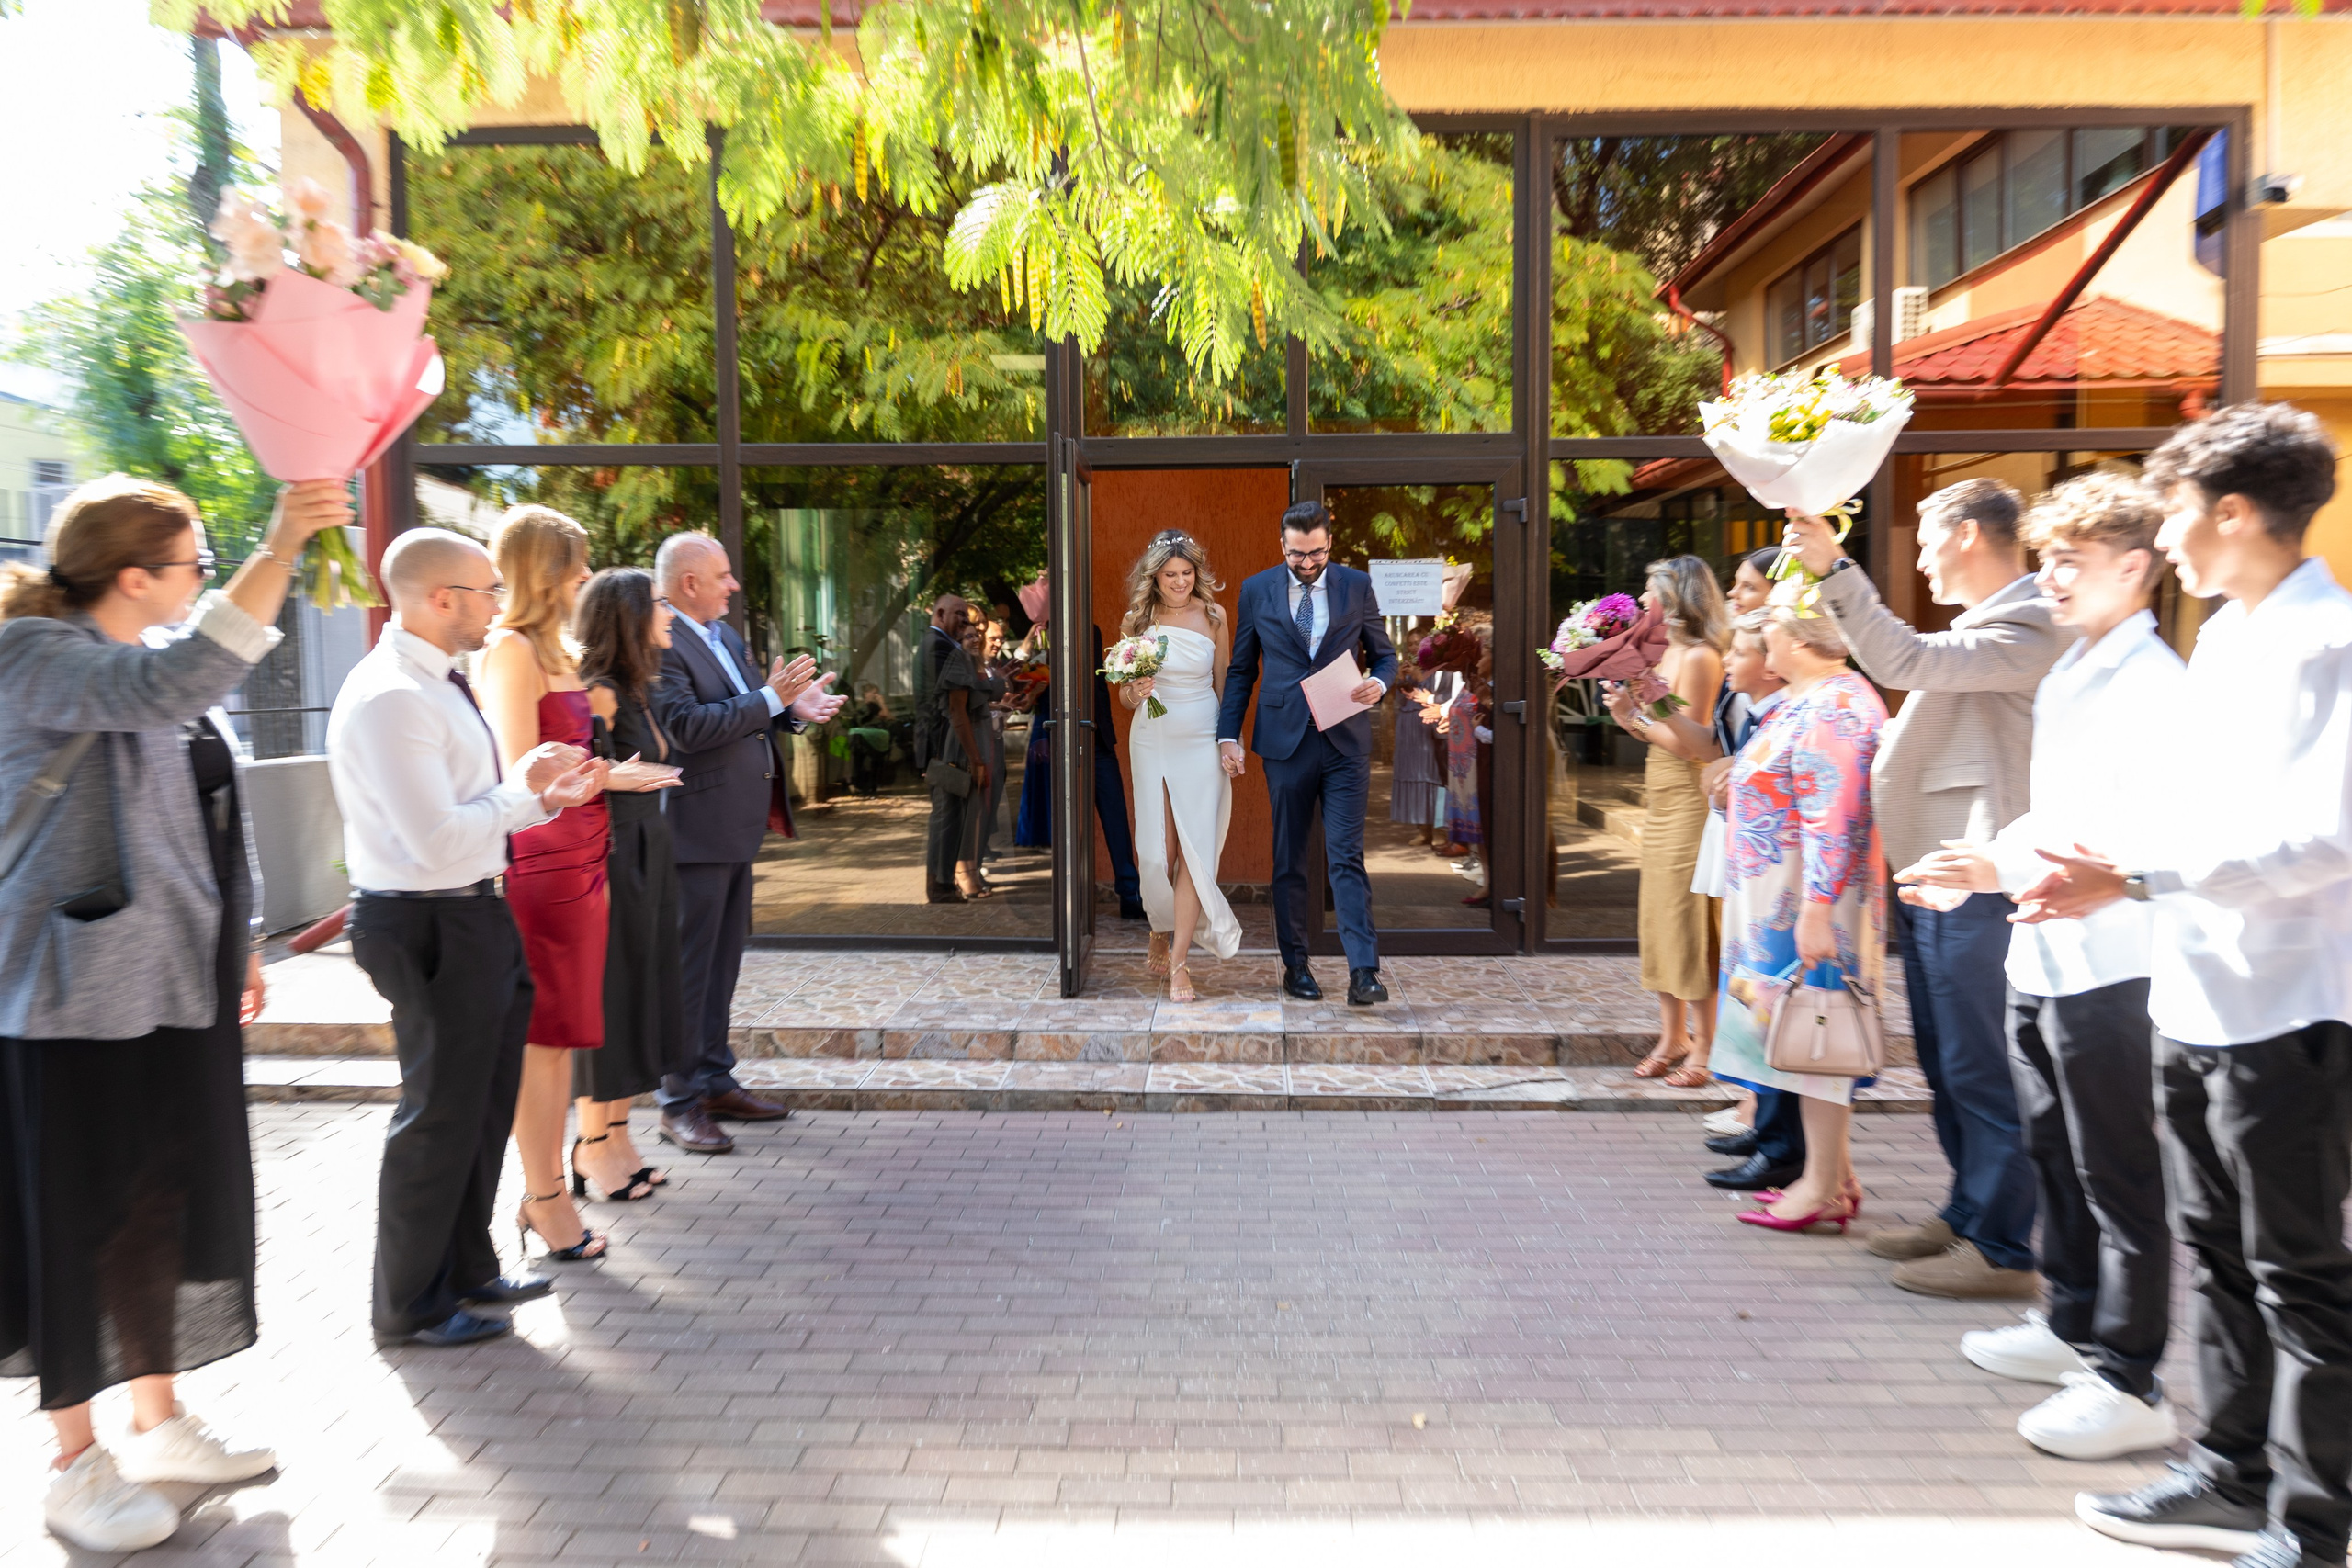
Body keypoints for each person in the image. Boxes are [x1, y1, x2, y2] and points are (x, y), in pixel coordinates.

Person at [2010, 406, 2352, 1568]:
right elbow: (2180, 812)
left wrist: (2140, 876)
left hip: (2287, 1006)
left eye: (2174, 517)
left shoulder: (2327, 644)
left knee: (2298, 1274)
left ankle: (2312, 1525)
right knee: (2217, 1254)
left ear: (2234, 513)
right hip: (2194, 989)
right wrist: (2091, 866)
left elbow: (2324, 837)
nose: (2165, 542)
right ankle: (2230, 1471)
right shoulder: (2227, 640)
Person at [0, 476, 345, 1551]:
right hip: (68, 997)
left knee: (158, 1202)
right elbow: (174, 681)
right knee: (76, 1218)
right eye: (197, 562)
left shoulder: (159, 663)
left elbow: (211, 809)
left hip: (174, 983)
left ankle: (158, 1426)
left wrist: (239, 939)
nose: (204, 579)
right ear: (134, 575)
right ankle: (74, 1464)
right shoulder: (36, 657)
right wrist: (283, 544)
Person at [1894, 471, 2182, 1462]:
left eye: (2073, 561)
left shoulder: (2154, 683)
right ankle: (2069, 1321)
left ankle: (2129, 1376)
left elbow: (2150, 828)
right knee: (2055, 1152)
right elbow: (2053, 817)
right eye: (2048, 558)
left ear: (2134, 569)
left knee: (2118, 1173)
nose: (2050, 577)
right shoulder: (2072, 669)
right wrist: (1984, 864)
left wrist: (2029, 868)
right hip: (2044, 952)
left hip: (2113, 962)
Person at [1784, 479, 2065, 1300]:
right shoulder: (1991, 624)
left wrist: (1835, 568)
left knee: (1983, 1067)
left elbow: (1904, 658)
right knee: (1949, 1063)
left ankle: (2003, 1248)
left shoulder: (2031, 621)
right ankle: (1968, 1213)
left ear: (1968, 533)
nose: (1921, 561)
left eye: (1925, 542)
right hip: (1942, 877)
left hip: (1984, 880)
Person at [329, 526, 605, 1359]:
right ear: (439, 598)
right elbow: (436, 838)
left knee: (481, 1108)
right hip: (427, 917)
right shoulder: (390, 696)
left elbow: (470, 810)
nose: (496, 604)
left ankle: (468, 1270)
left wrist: (534, 791)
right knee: (439, 1115)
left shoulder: (440, 682)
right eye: (486, 590)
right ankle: (409, 1304)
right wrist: (528, 794)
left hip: (473, 909)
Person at [481, 508, 650, 1256]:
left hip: (586, 854)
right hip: (545, 865)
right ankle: (543, 1197)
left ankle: (549, 1192)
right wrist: (609, 776)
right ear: (543, 569)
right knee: (544, 1042)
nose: (586, 573)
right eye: (575, 561)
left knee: (565, 1040)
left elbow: (569, 764)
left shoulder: (558, 650)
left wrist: (610, 775)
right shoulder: (510, 649)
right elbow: (523, 774)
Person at [650, 531, 841, 1155]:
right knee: (689, 972)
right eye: (723, 575)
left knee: (721, 966)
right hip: (694, 830)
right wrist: (771, 699)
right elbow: (684, 727)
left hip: (733, 827)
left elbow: (751, 707)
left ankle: (714, 1081)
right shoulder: (661, 639)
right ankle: (677, 1101)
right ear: (689, 583)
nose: (734, 584)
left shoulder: (724, 636)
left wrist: (793, 709)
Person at [1711, 602, 1888, 1235]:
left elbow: (1833, 818)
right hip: (1781, 901)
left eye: (1770, 628)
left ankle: (1821, 1186)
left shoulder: (1836, 705)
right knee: (1804, 1035)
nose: (1761, 639)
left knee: (1818, 1036)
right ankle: (1834, 1175)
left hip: (1808, 905)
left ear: (1798, 637)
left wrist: (1816, 908)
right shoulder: (1807, 699)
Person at [1217, 501, 1398, 1007]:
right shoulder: (1256, 589)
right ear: (1282, 545)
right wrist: (1227, 734)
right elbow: (1241, 670)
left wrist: (1380, 682)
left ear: (1329, 543)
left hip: (1345, 741)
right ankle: (1295, 965)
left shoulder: (1356, 585)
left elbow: (1384, 655)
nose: (1307, 563)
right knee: (1290, 856)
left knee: (1346, 855)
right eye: (1297, 554)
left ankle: (1364, 971)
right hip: (1285, 741)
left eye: (1316, 552)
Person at [574, 567, 688, 1203]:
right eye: (660, 603)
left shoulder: (639, 688)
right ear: (629, 615)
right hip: (616, 855)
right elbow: (579, 776)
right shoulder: (599, 690)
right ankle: (591, 1145)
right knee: (612, 999)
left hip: (649, 848)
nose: (669, 613)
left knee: (641, 994)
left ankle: (617, 1136)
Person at [1601, 556, 1728, 1085]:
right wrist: (1627, 715)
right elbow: (1658, 730)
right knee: (1659, 918)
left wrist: (1633, 718)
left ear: (1676, 598)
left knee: (1687, 920)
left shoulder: (1699, 656)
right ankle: (1672, 1034)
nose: (1641, 599)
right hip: (1660, 796)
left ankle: (1706, 1043)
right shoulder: (1663, 653)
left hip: (1688, 800)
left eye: (1650, 590)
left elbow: (1693, 746)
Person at [1118, 530, 1241, 1002]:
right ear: (1155, 577)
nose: (1179, 582)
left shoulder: (1214, 616)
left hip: (1203, 738)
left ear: (1196, 573)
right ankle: (1159, 924)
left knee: (1194, 850)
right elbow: (1124, 696)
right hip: (1151, 738)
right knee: (1157, 851)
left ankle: (1180, 962)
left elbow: (1225, 681)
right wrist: (1136, 691)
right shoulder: (1138, 619)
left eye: (1187, 573)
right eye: (1170, 574)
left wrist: (1232, 741)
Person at [915, 594, 985, 907]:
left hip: (942, 744)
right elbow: (959, 700)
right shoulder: (939, 646)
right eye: (959, 614)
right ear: (940, 614)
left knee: (949, 816)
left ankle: (944, 883)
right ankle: (941, 886)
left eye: (967, 616)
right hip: (943, 746)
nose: (965, 621)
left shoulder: (939, 643)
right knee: (946, 818)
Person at [954, 614, 1007, 900]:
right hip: (976, 746)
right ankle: (965, 873)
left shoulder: (984, 666)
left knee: (984, 809)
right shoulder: (964, 665)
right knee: (973, 812)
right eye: (991, 636)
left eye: (1000, 638)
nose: (995, 642)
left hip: (991, 742)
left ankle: (973, 870)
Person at [1388, 658, 1442, 846]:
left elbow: (1441, 698)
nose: (1413, 647)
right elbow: (1399, 701)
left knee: (1431, 775)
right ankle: (1423, 830)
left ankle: (1439, 831)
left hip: (1427, 725)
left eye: (1416, 644)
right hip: (1407, 727)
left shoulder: (1438, 670)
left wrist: (1420, 677)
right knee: (1412, 775)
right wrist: (1401, 678)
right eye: (1410, 644)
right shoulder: (1407, 673)